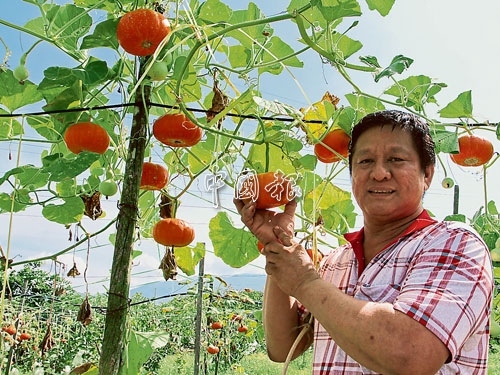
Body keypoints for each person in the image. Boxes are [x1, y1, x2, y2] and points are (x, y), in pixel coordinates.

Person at [234, 110, 494, 374]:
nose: (379, 173)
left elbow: (411, 358)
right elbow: (282, 347)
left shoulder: (456, 243)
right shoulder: (335, 261)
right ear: (352, 174)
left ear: (427, 175)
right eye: (365, 161)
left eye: (396, 159)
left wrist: (305, 283)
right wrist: (278, 243)